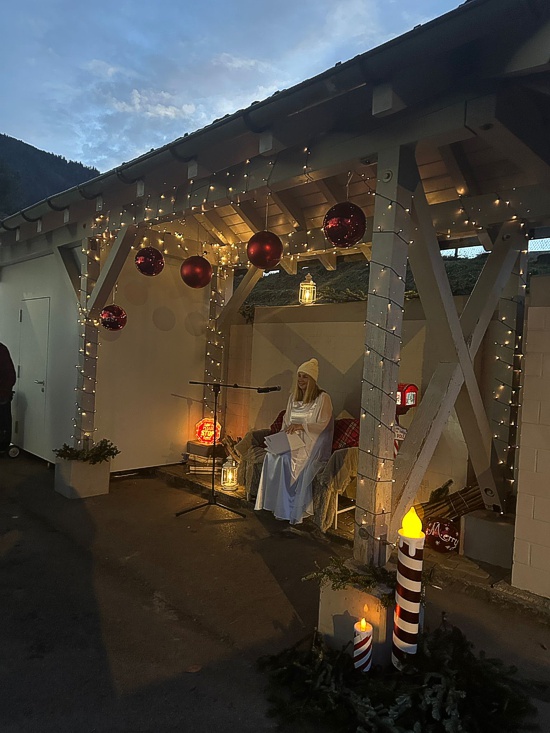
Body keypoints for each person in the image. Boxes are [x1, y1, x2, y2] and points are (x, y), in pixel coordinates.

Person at [255, 358, 334, 525]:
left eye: (305, 376)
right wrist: (283, 437)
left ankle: (287, 509)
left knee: (286, 460)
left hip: (310, 443)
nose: (301, 380)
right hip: (292, 440)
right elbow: (286, 421)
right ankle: (274, 504)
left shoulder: (322, 398)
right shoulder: (293, 397)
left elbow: (323, 424)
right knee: (271, 457)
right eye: (299, 376)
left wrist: (302, 426)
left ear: (312, 379)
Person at [0, 342, 16, 453]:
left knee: (3, 423)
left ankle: (2, 446)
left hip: (2, 395)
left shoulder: (1, 350)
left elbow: (10, 376)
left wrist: (3, 391)